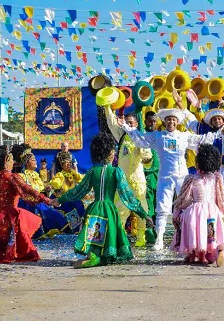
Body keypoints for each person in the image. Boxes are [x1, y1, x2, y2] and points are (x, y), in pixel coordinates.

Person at [121, 104, 220, 250]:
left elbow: (202, 139)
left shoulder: (184, 136)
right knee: (163, 207)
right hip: (165, 177)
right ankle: (159, 239)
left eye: (173, 120)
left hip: (182, 177)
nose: (171, 122)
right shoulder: (158, 136)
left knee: (186, 206)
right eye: (168, 120)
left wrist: (218, 133)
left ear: (177, 122)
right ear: (164, 121)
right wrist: (125, 126)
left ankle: (188, 237)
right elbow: (140, 138)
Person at [57, 133, 153, 268]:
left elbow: (78, 191)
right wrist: (144, 214)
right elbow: (127, 196)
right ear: (108, 154)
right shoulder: (116, 172)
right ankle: (97, 258)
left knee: (95, 234)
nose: (114, 153)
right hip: (109, 209)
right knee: (108, 234)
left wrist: (60, 199)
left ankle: (93, 256)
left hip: (95, 207)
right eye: (112, 151)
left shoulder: (92, 171)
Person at [0, 145, 59, 264]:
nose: (13, 162)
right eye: (11, 159)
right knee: (22, 246)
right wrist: (47, 200)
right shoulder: (12, 176)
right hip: (9, 215)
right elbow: (28, 190)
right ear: (6, 161)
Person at [171, 144, 224, 266]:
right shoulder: (216, 178)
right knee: (211, 235)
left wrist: (177, 213)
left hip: (196, 211)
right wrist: (223, 210)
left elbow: (185, 199)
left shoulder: (192, 178)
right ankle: (216, 251)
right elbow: (221, 196)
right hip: (212, 210)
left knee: (195, 232)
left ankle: (194, 255)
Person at [186, 107, 224, 235]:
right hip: (211, 171)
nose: (217, 121)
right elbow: (191, 122)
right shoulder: (208, 135)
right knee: (211, 196)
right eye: (215, 119)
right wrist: (181, 106)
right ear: (211, 122)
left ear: (223, 121)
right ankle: (212, 227)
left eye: (219, 119)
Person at [104, 106, 152, 247]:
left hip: (138, 181)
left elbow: (147, 157)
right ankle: (121, 238)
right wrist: (107, 106)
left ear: (136, 124)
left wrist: (143, 152)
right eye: (128, 122)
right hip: (123, 180)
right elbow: (112, 122)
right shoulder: (121, 136)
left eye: (132, 123)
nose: (130, 125)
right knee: (120, 209)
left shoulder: (142, 138)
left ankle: (141, 237)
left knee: (141, 208)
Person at [12, 144, 67, 239]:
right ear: (26, 163)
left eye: (35, 159)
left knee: (53, 213)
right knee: (37, 209)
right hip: (27, 204)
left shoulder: (36, 175)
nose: (35, 162)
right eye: (33, 160)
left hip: (38, 201)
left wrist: (48, 187)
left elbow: (41, 188)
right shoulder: (21, 176)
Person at [49, 151, 85, 233]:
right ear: (62, 165)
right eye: (66, 163)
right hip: (64, 199)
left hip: (72, 198)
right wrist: (52, 185)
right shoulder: (60, 175)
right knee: (71, 206)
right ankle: (71, 228)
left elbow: (81, 178)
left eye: (70, 162)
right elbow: (56, 182)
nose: (69, 164)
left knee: (80, 205)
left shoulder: (73, 173)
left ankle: (77, 228)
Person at [142, 111, 160, 244]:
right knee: (148, 203)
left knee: (158, 204)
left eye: (154, 121)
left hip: (159, 174)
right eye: (150, 121)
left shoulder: (161, 136)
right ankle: (149, 231)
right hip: (146, 175)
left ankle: (158, 230)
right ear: (145, 121)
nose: (152, 124)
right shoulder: (141, 137)